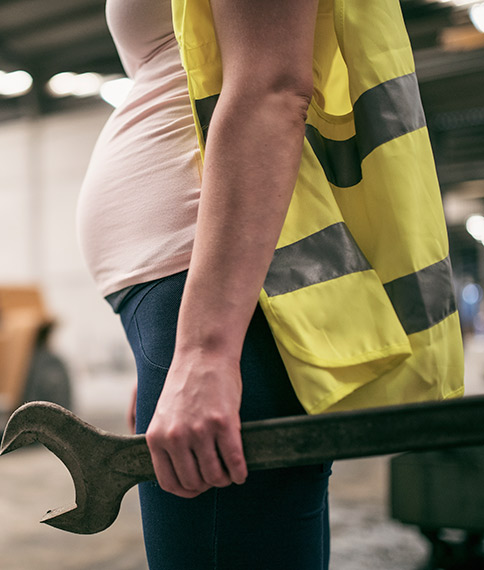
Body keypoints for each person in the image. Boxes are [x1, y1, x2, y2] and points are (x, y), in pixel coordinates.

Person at [76, 0, 463, 568]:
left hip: (235, 298)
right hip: (197, 300)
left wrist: (206, 348)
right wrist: (175, 347)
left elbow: (272, 86)